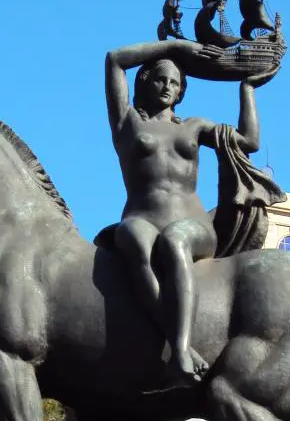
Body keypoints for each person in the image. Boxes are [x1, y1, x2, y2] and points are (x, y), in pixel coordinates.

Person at [103, 39, 281, 387]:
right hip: (140, 217)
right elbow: (114, 60)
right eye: (160, 79)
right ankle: (174, 334)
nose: (168, 87)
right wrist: (175, 47)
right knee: (136, 240)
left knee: (174, 241)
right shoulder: (126, 122)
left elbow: (249, 140)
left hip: (192, 222)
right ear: (145, 82)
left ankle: (180, 347)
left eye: (175, 83)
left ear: (182, 91)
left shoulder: (194, 127)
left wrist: (246, 88)